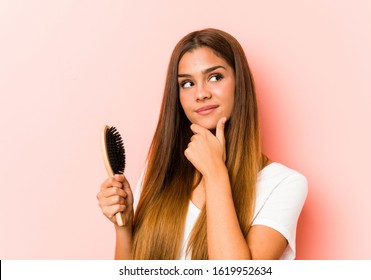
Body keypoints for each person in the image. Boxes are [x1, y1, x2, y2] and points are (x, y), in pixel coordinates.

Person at [96, 28, 308, 260]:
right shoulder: (158, 172)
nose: (201, 94)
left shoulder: (284, 184)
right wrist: (124, 228)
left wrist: (215, 172)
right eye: (187, 83)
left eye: (215, 77)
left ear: (240, 83)